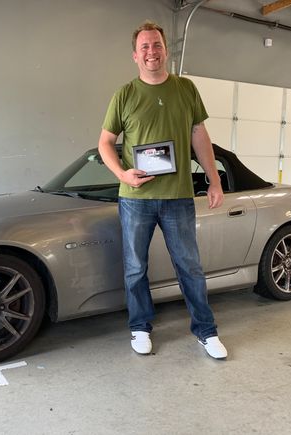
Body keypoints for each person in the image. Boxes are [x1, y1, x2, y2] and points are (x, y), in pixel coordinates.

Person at [98, 21, 227, 359]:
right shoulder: (124, 94)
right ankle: (140, 327)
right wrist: (122, 174)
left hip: (178, 198)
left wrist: (214, 180)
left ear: (166, 50)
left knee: (190, 267)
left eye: (156, 45)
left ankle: (206, 331)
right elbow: (105, 143)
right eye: (145, 47)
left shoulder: (186, 89)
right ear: (135, 55)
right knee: (135, 268)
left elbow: (199, 135)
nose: (151, 52)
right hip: (135, 200)